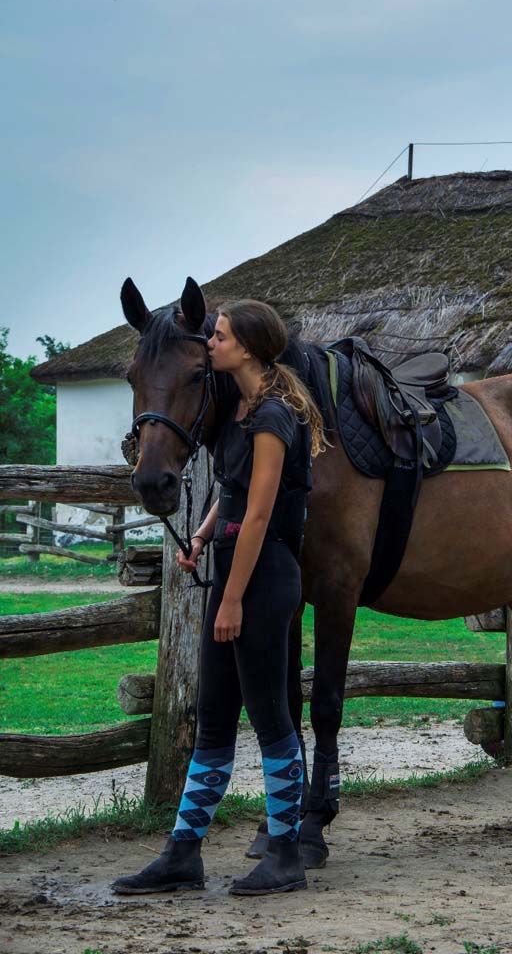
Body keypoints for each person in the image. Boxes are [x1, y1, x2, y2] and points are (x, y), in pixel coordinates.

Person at [112, 300, 324, 898]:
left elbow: (258, 515)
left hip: (263, 578)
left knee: (272, 719)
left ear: (248, 349)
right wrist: (203, 536)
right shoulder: (239, 412)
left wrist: (231, 601)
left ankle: (285, 854)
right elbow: (231, 491)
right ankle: (183, 853)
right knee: (213, 719)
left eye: (221, 336)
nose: (211, 343)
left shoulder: (274, 417)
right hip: (234, 569)